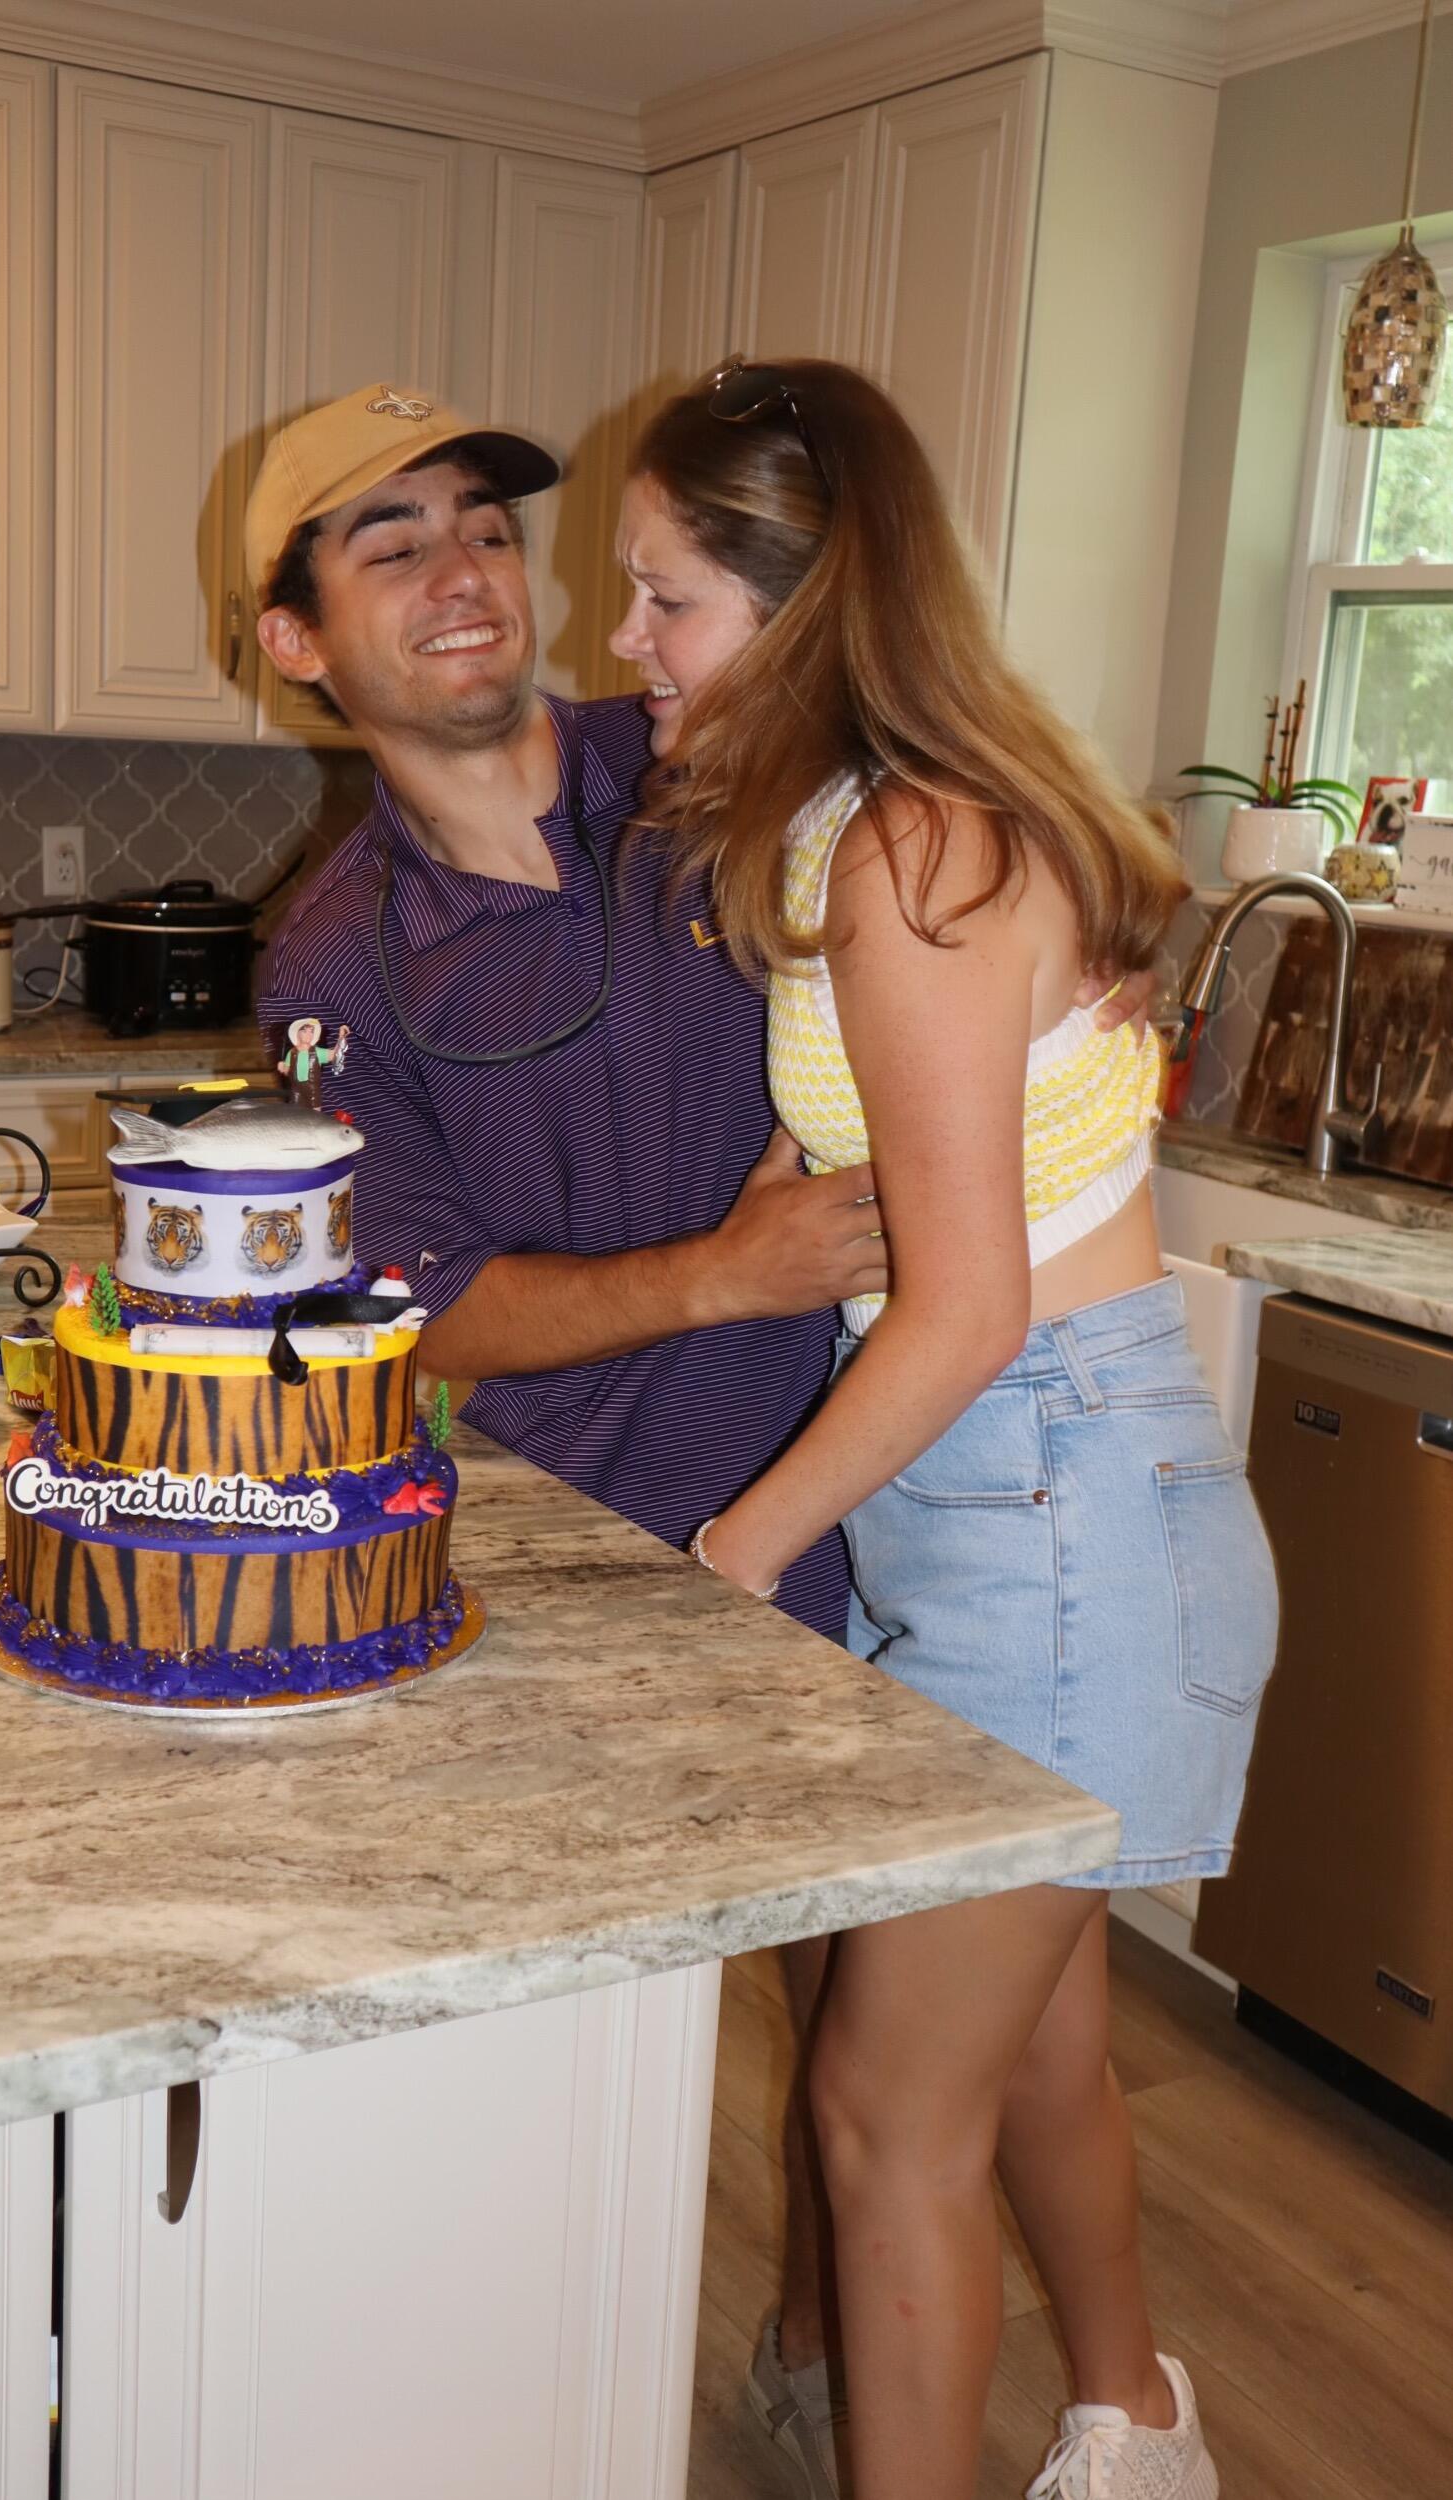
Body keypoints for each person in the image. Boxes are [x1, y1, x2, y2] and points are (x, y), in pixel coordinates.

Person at [247, 380, 1155, 2492]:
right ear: (296, 642)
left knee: (950, 2034)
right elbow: (408, 1303)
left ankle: (846, 2346)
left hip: (894, 1486)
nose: (464, 572)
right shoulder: (332, 962)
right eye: (388, 544)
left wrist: (1100, 981)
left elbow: (966, 818)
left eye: (483, 525)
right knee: (612, 2049)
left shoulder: (708, 754)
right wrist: (714, 1272)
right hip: (597, 1549)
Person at [610, 356, 1279, 2500]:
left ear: (801, 606)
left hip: (1054, 1520)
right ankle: (1136, 2429)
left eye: (665, 598)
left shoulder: (912, 847)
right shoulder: (866, 831)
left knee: (880, 2113)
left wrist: (730, 1551)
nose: (624, 639)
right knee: (1039, 2054)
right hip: (1034, 1507)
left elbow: (966, 1301)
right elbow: (891, 1208)